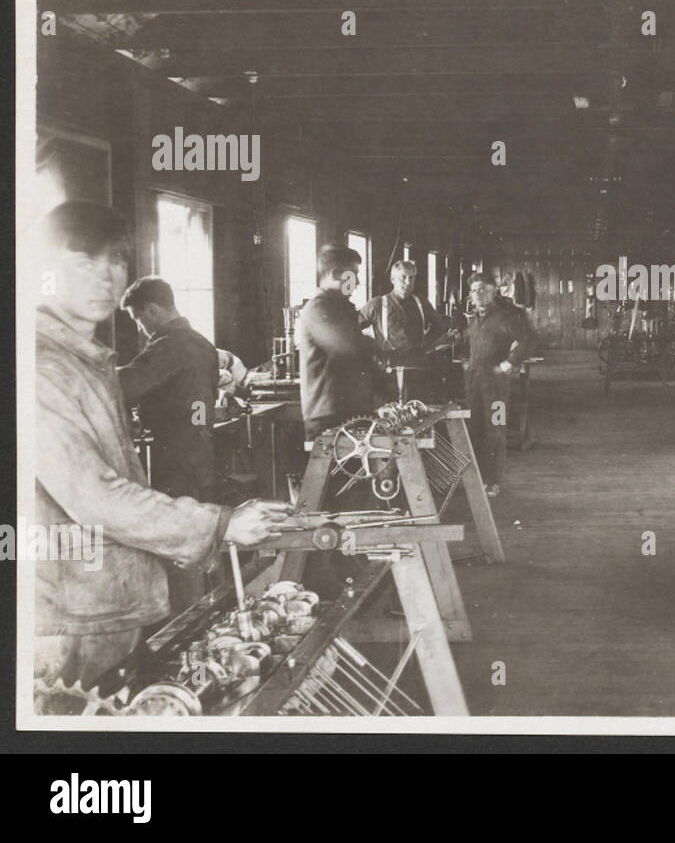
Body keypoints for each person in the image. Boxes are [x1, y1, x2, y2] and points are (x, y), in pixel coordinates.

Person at [33, 201, 289, 693]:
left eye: (115, 260)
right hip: (70, 618)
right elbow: (95, 496)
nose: (104, 277)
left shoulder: (93, 361)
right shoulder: (45, 366)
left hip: (100, 604)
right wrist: (223, 524)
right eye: (83, 263)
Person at [118, 276, 220, 505]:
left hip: (174, 453)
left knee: (176, 523)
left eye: (137, 318)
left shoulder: (168, 347)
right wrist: (198, 426)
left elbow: (125, 385)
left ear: (151, 311)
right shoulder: (203, 344)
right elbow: (203, 402)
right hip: (201, 447)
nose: (140, 327)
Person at [296, 243, 383, 440]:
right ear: (336, 274)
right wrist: (372, 344)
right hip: (328, 414)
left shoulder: (341, 307)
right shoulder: (318, 307)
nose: (358, 281)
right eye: (353, 274)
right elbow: (346, 347)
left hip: (350, 410)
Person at [464, 271, 538, 497]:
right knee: (474, 430)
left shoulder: (506, 317)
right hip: (474, 385)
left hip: (496, 387)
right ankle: (478, 480)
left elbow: (531, 339)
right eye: (475, 290)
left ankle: (493, 481)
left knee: (494, 432)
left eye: (484, 290)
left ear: (494, 292)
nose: (479, 295)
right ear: (471, 294)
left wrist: (509, 364)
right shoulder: (475, 318)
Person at [357, 259, 455, 401]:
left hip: (417, 369)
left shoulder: (421, 303)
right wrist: (371, 349)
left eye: (411, 278)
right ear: (392, 279)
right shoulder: (377, 304)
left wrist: (423, 344)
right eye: (403, 277)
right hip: (389, 371)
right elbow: (351, 327)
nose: (408, 282)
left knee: (418, 412)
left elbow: (439, 327)